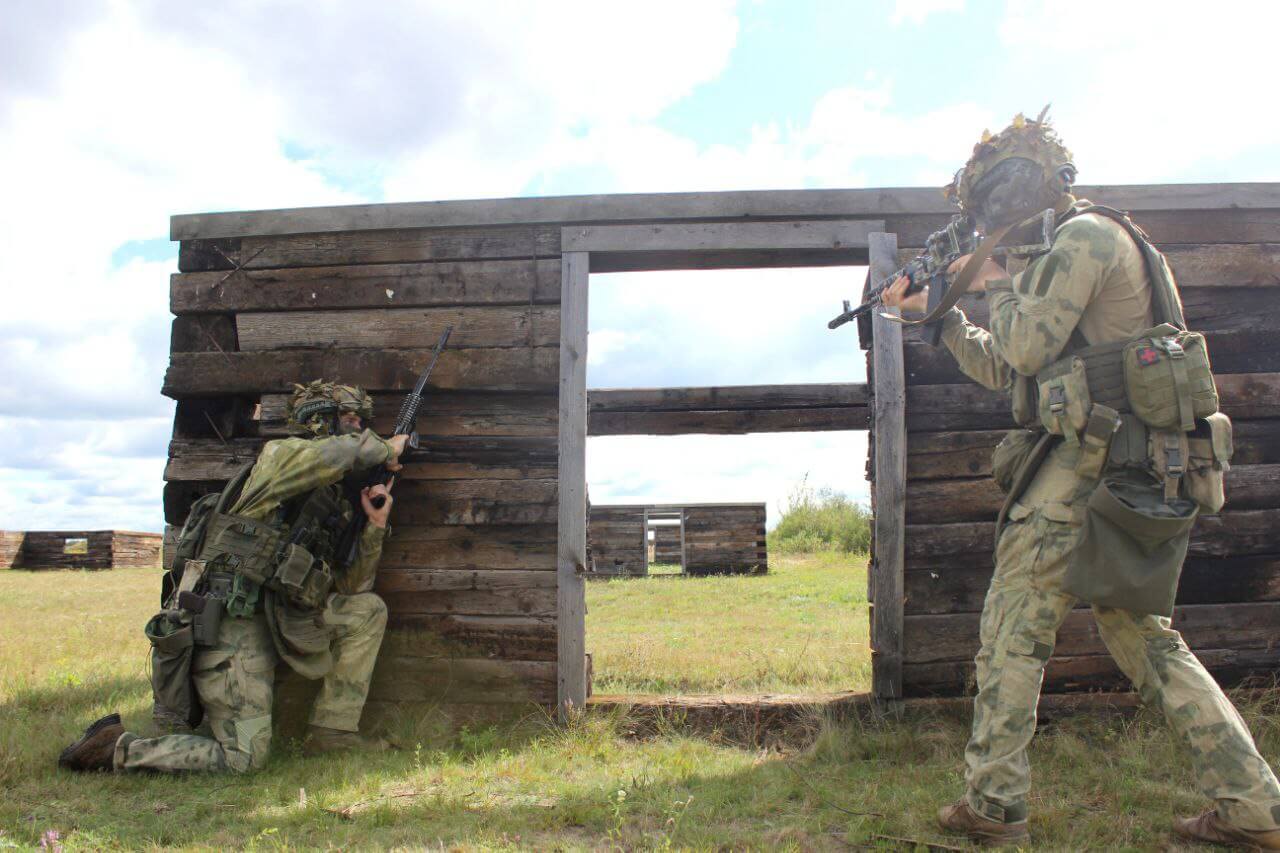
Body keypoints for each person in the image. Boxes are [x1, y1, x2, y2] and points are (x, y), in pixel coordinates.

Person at [882, 111, 1280, 848]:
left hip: (1090, 472)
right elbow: (1008, 368)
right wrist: (935, 321)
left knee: (1012, 630)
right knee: (1147, 643)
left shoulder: (1086, 239)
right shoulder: (1078, 245)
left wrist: (993, 279)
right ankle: (1253, 805)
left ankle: (994, 805)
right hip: (1127, 468)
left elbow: (1025, 344)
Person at [58, 380, 409, 774]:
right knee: (243, 759)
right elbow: (339, 452)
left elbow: (351, 588)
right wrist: (386, 446)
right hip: (233, 626)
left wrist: (375, 526)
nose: (359, 429)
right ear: (319, 422)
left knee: (366, 610)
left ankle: (332, 732)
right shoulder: (281, 459)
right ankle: (115, 749)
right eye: (350, 420)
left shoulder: (331, 501)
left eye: (363, 422)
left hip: (285, 623)